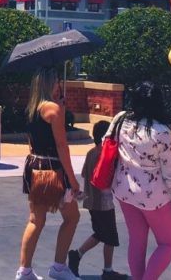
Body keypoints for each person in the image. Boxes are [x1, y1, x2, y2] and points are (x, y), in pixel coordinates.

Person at [113, 81, 171, 280]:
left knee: (137, 242)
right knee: (169, 244)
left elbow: (107, 142)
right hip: (153, 197)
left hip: (124, 190)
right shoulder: (161, 132)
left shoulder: (121, 120)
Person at [17, 67, 81, 280]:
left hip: (34, 166)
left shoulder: (32, 109)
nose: (58, 85)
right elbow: (62, 146)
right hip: (52, 170)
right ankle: (58, 266)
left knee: (36, 220)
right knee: (72, 217)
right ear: (50, 83)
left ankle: (24, 270)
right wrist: (72, 180)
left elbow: (31, 142)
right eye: (56, 81)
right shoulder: (53, 110)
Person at [68, 120, 128, 280]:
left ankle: (77, 255)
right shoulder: (105, 155)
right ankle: (106, 270)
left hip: (91, 201)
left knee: (101, 234)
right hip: (103, 202)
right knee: (111, 237)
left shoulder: (91, 152)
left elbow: (83, 173)